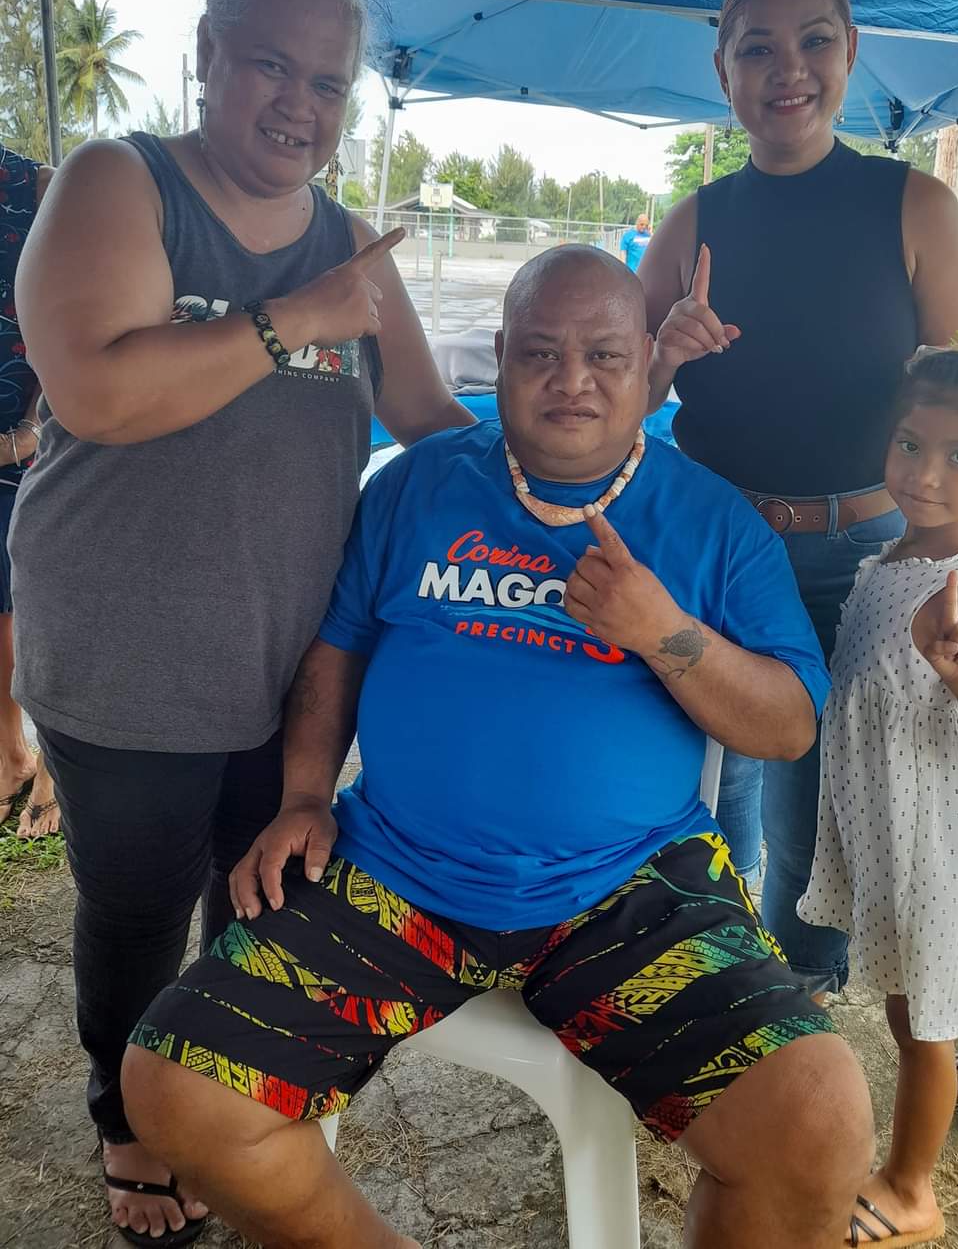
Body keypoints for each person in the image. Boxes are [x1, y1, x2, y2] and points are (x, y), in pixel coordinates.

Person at [121, 246, 873, 1249]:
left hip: (628, 888)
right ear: (502, 359)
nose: (573, 380)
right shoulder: (415, 488)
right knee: (174, 1086)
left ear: (648, 362)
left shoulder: (713, 520)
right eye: (540, 353)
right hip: (399, 874)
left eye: (605, 353)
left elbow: (788, 724)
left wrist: (663, 633)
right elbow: (336, 652)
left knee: (817, 1120)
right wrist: (305, 795)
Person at [10, 0, 471, 1248]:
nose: (299, 104)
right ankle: (129, 1119)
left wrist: (604, 428)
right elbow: (96, 385)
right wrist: (290, 323)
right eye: (270, 63)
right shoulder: (124, 181)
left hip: (285, 663)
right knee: (138, 904)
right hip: (124, 654)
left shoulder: (351, 251)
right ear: (207, 55)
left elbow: (431, 418)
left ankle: (217, 1093)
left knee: (259, 894)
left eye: (327, 83)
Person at [639, 0, 958, 997]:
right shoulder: (692, 222)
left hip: (869, 552)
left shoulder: (914, 207)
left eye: (815, 40)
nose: (790, 69)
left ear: (851, 51)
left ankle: (795, 1001)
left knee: (827, 798)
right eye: (757, 47)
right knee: (704, 780)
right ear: (722, 68)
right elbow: (619, 404)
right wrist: (660, 357)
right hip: (717, 544)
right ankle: (701, 982)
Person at [799, 345, 958, 1247]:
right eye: (911, 444)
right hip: (903, 826)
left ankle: (912, 1186)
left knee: (918, 1019)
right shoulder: (896, 555)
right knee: (956, 972)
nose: (924, 473)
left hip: (938, 843)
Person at [0, 146, 59, 839]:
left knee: (36, 594)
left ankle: (52, 765)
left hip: (32, 432)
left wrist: (31, 425)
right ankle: (10, 752)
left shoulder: (37, 185)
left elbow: (68, 312)